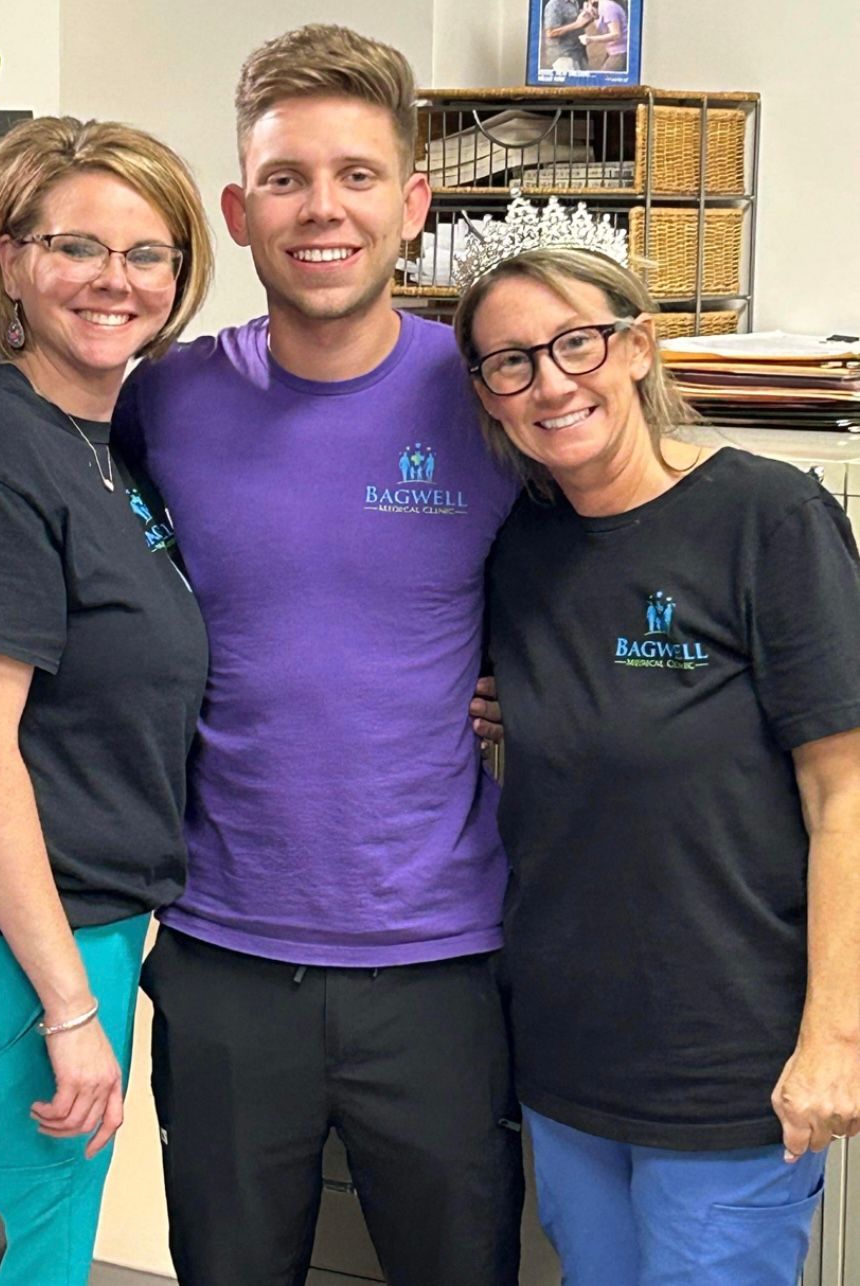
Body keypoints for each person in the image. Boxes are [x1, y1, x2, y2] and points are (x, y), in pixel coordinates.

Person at [114, 25, 523, 1286]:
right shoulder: (163, 399)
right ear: (238, 209)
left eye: (356, 175)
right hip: (225, 955)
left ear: (413, 202)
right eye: (286, 178)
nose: (321, 210)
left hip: (445, 960)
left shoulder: (494, 396)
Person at [453, 224, 860, 1284]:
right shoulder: (522, 545)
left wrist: (836, 1036)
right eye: (512, 361)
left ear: (636, 349)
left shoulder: (767, 516)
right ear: (488, 393)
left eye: (576, 343)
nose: (551, 382)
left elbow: (845, 790)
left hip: (727, 1060)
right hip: (567, 1049)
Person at [0, 117, 213, 1286]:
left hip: (66, 937)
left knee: (35, 1254)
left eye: (147, 252)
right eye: (75, 246)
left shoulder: (102, 446)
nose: (115, 280)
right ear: (8, 259)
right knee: (10, 1266)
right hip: (4, 960)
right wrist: (68, 1005)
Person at [580, 0, 629, 71]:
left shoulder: (608, 8)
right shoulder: (598, 7)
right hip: (612, 50)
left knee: (603, 79)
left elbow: (616, 34)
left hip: (620, 50)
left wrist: (590, 39)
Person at [543, 0, 591, 71]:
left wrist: (588, 17)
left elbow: (578, 24)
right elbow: (550, 33)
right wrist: (577, 24)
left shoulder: (574, 2)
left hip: (579, 53)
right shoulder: (554, 5)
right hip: (563, 56)